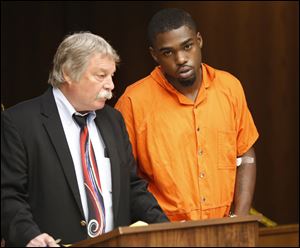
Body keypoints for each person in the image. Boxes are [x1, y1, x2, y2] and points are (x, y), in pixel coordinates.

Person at [1, 32, 169, 247]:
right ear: (69, 73)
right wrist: (28, 236)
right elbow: (8, 193)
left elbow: (132, 187)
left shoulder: (113, 119)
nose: (110, 85)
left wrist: (165, 228)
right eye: (101, 76)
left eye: (111, 76)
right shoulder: (19, 122)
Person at [115, 8, 258, 222]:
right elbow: (123, 178)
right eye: (167, 52)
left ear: (199, 41)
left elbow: (245, 154)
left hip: (223, 228)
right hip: (162, 232)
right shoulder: (133, 102)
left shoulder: (229, 87)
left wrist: (239, 218)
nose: (181, 58)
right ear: (154, 55)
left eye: (187, 46)